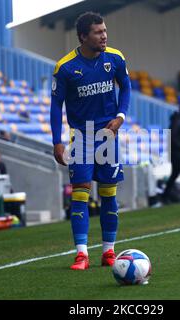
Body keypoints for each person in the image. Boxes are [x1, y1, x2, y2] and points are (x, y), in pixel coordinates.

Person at [50, 12, 131, 270]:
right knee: (81, 193)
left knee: (108, 193)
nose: (104, 35)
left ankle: (109, 251)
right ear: (83, 36)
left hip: (108, 136)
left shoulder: (115, 58)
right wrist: (57, 141)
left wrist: (120, 117)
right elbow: (55, 106)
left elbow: (127, 87)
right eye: (98, 32)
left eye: (105, 30)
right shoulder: (65, 67)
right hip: (81, 137)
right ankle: (82, 254)